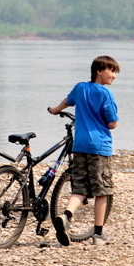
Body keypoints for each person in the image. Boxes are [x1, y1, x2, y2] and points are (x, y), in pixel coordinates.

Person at [47, 55, 120, 246]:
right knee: (101, 190)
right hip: (99, 147)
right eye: (111, 71)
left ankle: (66, 216)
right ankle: (98, 234)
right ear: (99, 71)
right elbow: (112, 123)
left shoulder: (80, 88)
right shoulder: (106, 94)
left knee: (80, 187)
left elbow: (67, 101)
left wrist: (55, 110)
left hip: (79, 146)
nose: (114, 76)